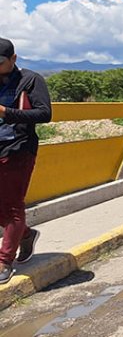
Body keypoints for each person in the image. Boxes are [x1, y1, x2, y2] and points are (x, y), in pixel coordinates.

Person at [0, 38, 52, 284]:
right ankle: (26, 235)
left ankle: (4, 261)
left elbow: (44, 113)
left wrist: (6, 112)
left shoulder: (30, 80)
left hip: (18, 149)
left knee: (12, 205)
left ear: (14, 59)